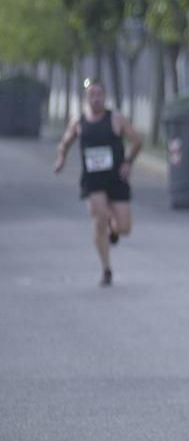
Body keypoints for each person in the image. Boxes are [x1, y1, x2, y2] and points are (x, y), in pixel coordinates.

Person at [53, 78, 142, 287]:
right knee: (99, 218)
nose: (95, 99)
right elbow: (64, 143)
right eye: (91, 95)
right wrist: (60, 159)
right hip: (92, 180)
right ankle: (106, 269)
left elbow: (137, 141)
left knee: (125, 228)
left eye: (99, 94)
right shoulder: (78, 122)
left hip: (116, 178)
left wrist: (128, 162)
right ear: (86, 98)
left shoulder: (117, 119)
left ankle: (114, 228)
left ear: (105, 96)